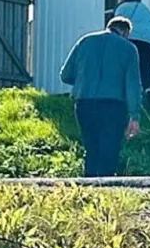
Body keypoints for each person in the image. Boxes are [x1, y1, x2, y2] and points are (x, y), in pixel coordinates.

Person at [59, 16, 142, 177]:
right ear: (125, 32)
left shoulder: (85, 41)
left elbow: (65, 75)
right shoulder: (128, 48)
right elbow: (132, 85)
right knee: (109, 149)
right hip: (113, 105)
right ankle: (106, 185)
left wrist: (82, 80)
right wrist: (134, 115)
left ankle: (89, 184)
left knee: (91, 147)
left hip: (84, 103)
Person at [113, 0, 150, 103]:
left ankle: (128, 95)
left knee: (128, 67)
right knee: (145, 68)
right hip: (149, 42)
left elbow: (116, 26)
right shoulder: (145, 9)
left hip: (131, 39)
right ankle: (148, 89)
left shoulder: (122, 8)